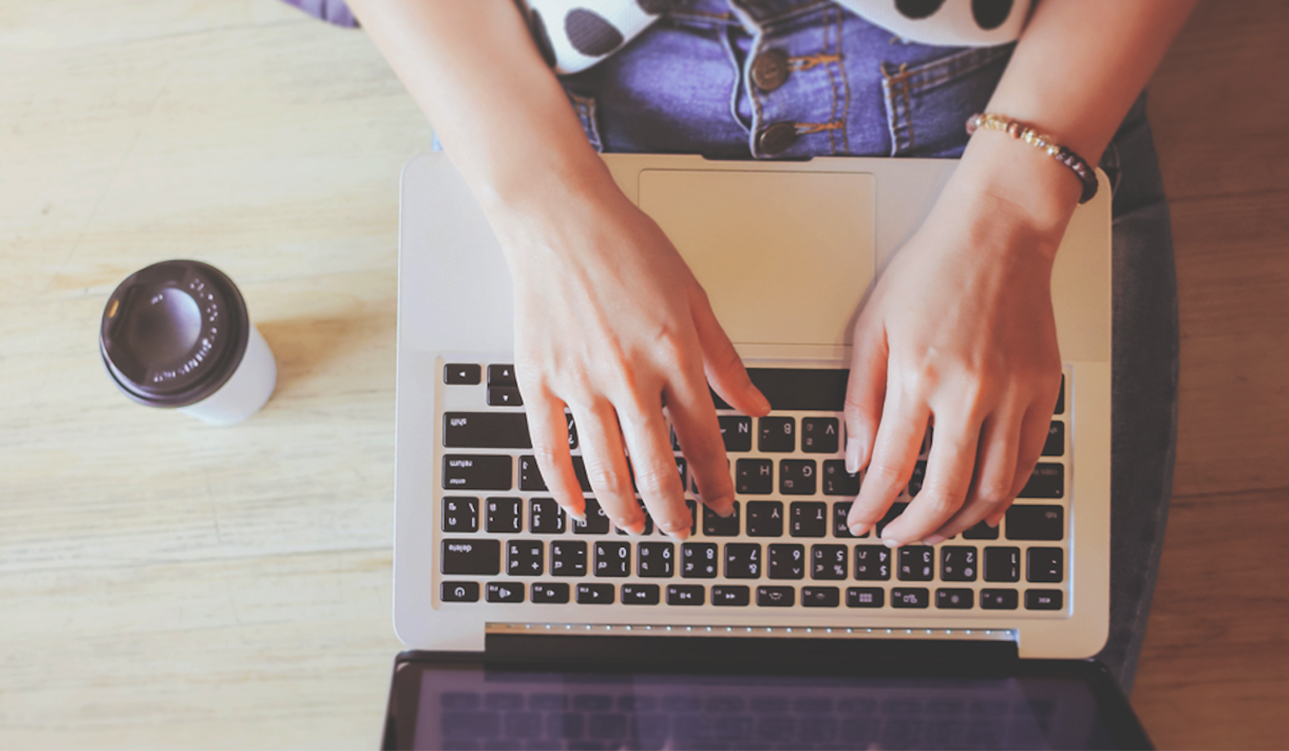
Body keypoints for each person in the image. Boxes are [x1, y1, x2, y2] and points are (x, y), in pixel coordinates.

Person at [306, 0, 1193, 691]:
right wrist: (547, 209)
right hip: (539, 105)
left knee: (1027, 693)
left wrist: (1011, 217)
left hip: (1010, 110)